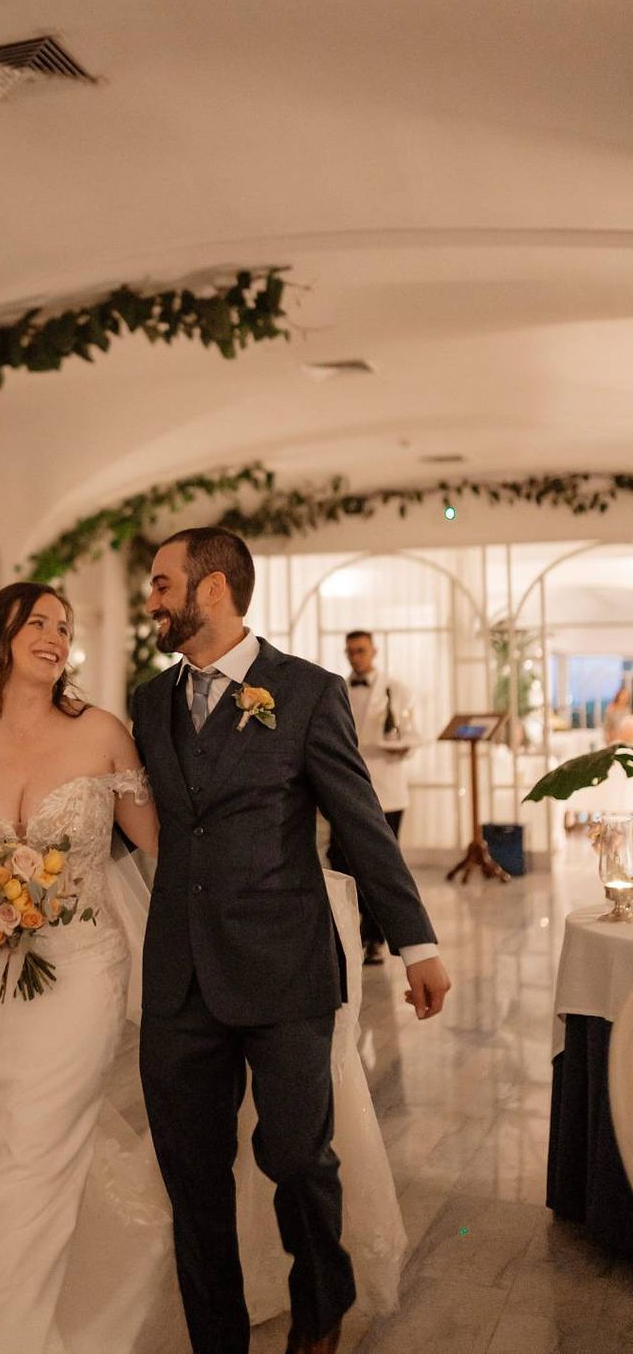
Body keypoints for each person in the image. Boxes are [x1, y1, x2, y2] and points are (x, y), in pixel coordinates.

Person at [132, 528, 450, 1354]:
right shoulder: (146, 702)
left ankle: (319, 1303)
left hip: (287, 970)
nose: (152, 601)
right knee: (192, 1183)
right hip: (178, 979)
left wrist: (417, 944)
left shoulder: (306, 691)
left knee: (298, 1158)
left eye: (162, 585)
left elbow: (360, 822)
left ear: (209, 591)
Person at [0, 582, 160, 1354]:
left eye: (65, 626)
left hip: (82, 966)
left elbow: (163, 846)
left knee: (42, 1143)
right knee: (14, 1149)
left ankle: (1, 1337)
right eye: (40, 622)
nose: (56, 636)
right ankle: (60, 1314)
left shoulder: (101, 735)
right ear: (1, 635)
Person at [328, 629, 420, 965]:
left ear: (374, 651)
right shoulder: (334, 689)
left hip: (387, 790)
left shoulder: (398, 690)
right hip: (344, 790)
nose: (356, 657)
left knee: (381, 865)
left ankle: (375, 937)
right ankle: (345, 928)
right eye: (350, 651)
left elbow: (411, 734)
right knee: (340, 860)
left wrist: (398, 746)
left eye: (361, 650)